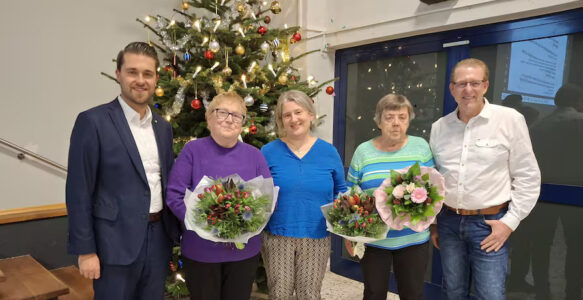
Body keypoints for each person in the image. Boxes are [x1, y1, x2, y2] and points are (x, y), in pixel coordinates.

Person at [66, 42, 179, 300]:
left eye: (147, 74)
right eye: (132, 72)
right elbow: (79, 190)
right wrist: (86, 251)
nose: (140, 80)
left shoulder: (163, 127)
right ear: (119, 75)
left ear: (156, 79)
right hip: (113, 244)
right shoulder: (92, 122)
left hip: (158, 239)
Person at [429, 58, 541, 300]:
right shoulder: (440, 127)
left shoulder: (509, 119)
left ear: (485, 86)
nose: (468, 90)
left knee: (490, 294)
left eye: (474, 83)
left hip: (490, 224)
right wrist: (435, 222)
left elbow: (528, 176)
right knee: (453, 291)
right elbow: (435, 178)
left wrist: (509, 223)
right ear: (452, 89)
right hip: (448, 222)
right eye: (461, 84)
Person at [166, 91, 271, 300]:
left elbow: (267, 200)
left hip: (244, 253)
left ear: (242, 122)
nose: (229, 119)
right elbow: (174, 195)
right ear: (209, 118)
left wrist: (246, 221)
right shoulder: (192, 151)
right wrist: (205, 224)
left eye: (236, 115)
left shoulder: (255, 155)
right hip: (200, 251)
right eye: (222, 112)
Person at [346, 93, 434, 300]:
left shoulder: (420, 147)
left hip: (413, 238)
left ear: (409, 120)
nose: (396, 123)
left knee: (412, 294)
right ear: (378, 121)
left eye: (402, 117)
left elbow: (432, 190)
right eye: (389, 117)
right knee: (374, 294)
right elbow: (352, 193)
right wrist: (350, 233)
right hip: (374, 239)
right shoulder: (363, 152)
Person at [260, 90, 347, 299]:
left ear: (310, 114)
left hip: (316, 235)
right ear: (281, 120)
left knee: (309, 294)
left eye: (298, 112)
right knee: (279, 293)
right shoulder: (268, 151)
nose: (293, 119)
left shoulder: (328, 151)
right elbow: (258, 194)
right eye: (286, 115)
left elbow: (341, 192)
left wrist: (345, 226)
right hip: (277, 235)